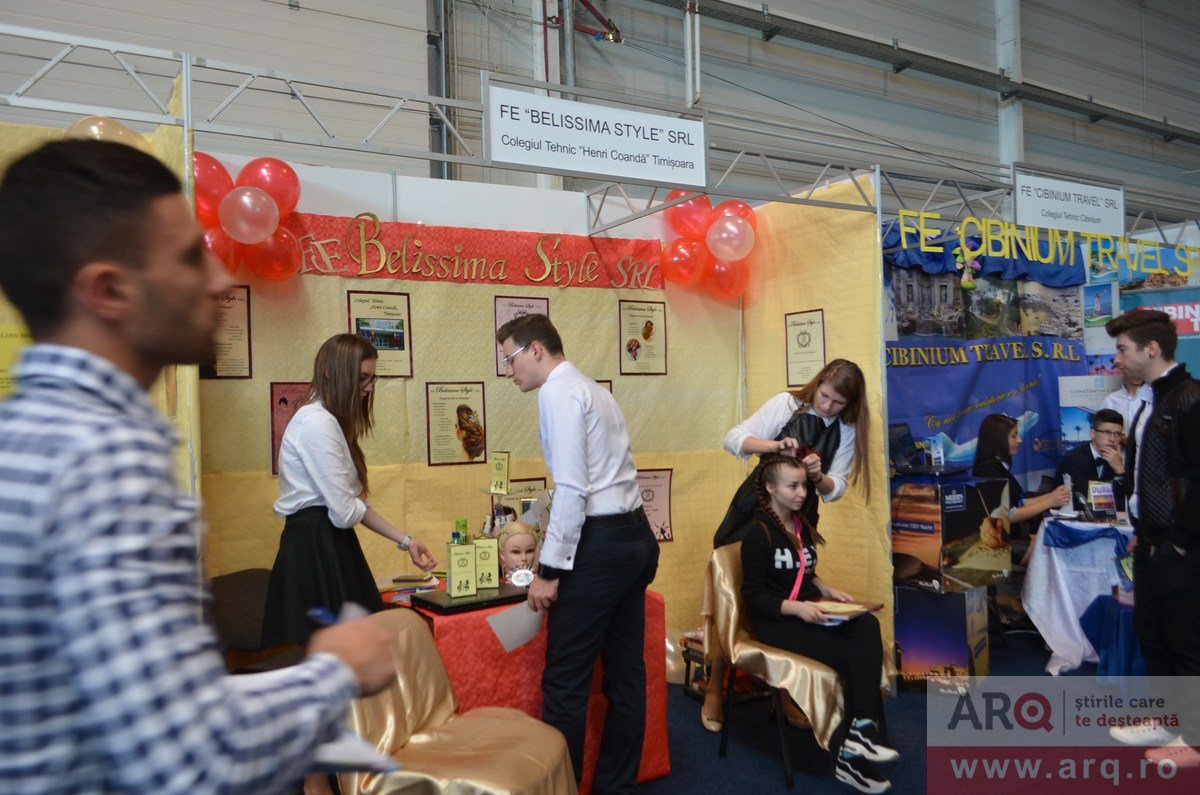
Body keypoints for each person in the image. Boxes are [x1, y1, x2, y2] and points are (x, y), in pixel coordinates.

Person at [0, 140, 397, 793]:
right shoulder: (106, 459)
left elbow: (127, 717)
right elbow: (185, 756)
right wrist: (335, 672)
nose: (218, 279)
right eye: (190, 257)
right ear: (109, 290)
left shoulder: (35, 435)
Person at [497, 313, 658, 794]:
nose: (508, 370)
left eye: (510, 358)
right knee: (625, 678)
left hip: (601, 544)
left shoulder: (557, 391)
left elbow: (571, 487)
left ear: (536, 350)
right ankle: (617, 787)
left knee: (565, 683)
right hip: (635, 538)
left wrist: (548, 571)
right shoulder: (593, 388)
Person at [704, 359, 872, 731]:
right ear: (818, 383)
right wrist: (775, 445)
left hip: (798, 519)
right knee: (732, 601)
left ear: (850, 404)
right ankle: (714, 689)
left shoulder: (845, 430)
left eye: (838, 403)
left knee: (785, 597)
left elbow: (835, 489)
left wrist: (818, 476)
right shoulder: (788, 405)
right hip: (753, 513)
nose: (827, 406)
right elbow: (733, 439)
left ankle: (783, 693)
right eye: (824, 396)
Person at [264, 333, 436, 647]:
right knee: (344, 656)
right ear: (331, 372)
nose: (369, 387)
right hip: (315, 551)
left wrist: (406, 540)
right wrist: (350, 503)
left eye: (372, 378)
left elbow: (354, 504)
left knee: (358, 655)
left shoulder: (329, 421)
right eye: (362, 378)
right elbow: (345, 512)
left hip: (331, 543)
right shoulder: (316, 423)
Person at [741, 455, 896, 793]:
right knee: (854, 658)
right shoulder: (757, 534)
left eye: (803, 486)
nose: (801, 493)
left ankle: (862, 728)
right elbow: (754, 597)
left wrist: (824, 588)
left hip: (810, 608)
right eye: (792, 486)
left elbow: (803, 571)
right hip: (777, 622)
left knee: (867, 626)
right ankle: (849, 754)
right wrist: (796, 609)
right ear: (771, 488)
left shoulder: (801, 525)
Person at [1103, 309, 1200, 767]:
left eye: (1122, 349)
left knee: (1186, 640)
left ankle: (1195, 740)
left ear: (1152, 349)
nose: (1116, 358)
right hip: (1150, 541)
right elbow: (1148, 476)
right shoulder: (1148, 400)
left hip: (1184, 545)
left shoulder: (1190, 398)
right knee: (1153, 633)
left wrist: (1179, 540)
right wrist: (1141, 532)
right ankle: (1170, 720)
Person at [972, 413, 1069, 535]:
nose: (1019, 440)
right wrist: (1050, 502)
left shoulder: (997, 467)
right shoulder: (988, 471)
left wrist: (1052, 496)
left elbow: (1019, 502)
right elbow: (1009, 515)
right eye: (1014, 436)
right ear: (998, 439)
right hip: (1007, 541)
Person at [1051, 408, 1126, 511]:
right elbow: (1085, 501)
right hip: (1072, 518)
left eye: (1117, 434)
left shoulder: (1117, 459)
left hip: (1107, 518)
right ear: (1092, 433)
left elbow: (1129, 501)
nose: (1112, 439)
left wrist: (1119, 470)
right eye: (1107, 432)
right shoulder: (1073, 459)